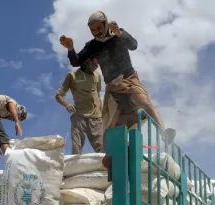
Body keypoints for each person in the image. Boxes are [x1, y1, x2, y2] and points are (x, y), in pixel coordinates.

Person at [59, 11, 175, 154]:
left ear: (106, 24)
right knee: (110, 125)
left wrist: (119, 34)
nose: (96, 32)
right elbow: (76, 61)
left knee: (144, 102)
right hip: (113, 88)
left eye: (99, 28)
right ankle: (111, 157)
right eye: (93, 30)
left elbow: (134, 45)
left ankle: (163, 132)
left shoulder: (118, 34)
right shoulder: (92, 46)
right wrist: (70, 48)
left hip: (129, 80)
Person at [55, 58, 103, 154]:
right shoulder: (72, 76)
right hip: (79, 117)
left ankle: (108, 168)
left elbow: (98, 96)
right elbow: (58, 96)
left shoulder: (97, 76)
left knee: (102, 149)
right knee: (76, 149)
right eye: (94, 63)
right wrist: (67, 104)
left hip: (96, 119)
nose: (97, 66)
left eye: (98, 63)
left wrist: (102, 115)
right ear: (87, 62)